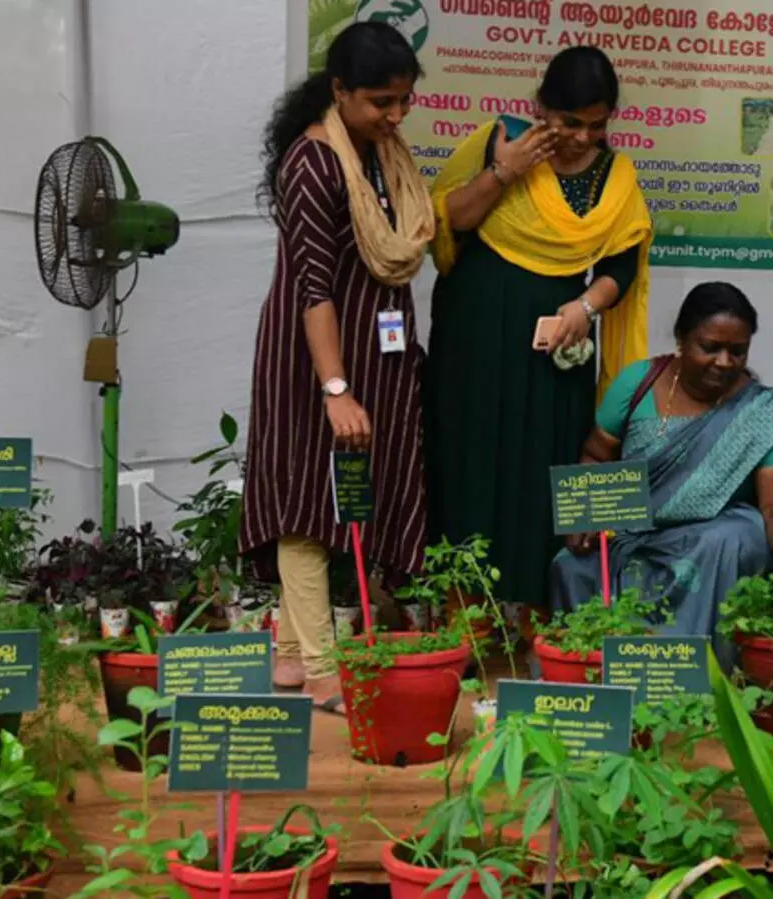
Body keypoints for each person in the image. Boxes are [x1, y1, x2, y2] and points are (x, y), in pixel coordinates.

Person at [239, 22, 433, 710]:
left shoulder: (379, 151)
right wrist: (336, 389)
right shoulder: (313, 163)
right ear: (339, 90)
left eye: (405, 101)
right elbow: (312, 288)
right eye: (382, 101)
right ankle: (324, 671)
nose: (396, 115)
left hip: (371, 357)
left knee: (341, 495)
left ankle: (290, 656)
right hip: (313, 364)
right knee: (307, 505)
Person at [425, 47, 653, 627]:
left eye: (596, 124)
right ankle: (465, 618)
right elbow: (449, 222)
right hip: (476, 332)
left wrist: (584, 306)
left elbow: (621, 267)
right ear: (540, 108)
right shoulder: (497, 140)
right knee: (471, 462)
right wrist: (506, 170)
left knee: (547, 465)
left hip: (558, 342)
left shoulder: (614, 174)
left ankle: (538, 620)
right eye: (569, 121)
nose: (581, 137)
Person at [551, 283, 773, 669]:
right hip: (635, 533)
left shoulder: (765, 411)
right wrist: (586, 515)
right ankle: (598, 675)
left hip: (715, 533)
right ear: (681, 338)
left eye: (737, 351)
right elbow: (595, 456)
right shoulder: (637, 383)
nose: (725, 361)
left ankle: (703, 676)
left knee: (727, 540)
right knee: (570, 565)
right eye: (710, 347)